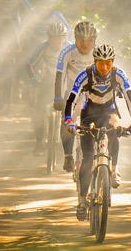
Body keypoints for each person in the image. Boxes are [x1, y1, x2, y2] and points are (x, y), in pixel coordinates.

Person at [62, 44, 131, 220]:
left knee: (114, 128)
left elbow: (130, 97)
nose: (104, 67)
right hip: (89, 114)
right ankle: (82, 201)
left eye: (108, 63)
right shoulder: (86, 75)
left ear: (112, 62)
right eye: (100, 63)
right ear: (95, 61)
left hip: (109, 111)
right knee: (88, 158)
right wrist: (68, 120)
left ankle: (114, 170)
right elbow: (72, 98)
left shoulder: (118, 74)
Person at [53, 21, 97, 173]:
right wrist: (58, 97)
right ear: (75, 39)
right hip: (72, 92)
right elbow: (60, 76)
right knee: (67, 120)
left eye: (89, 41)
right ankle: (68, 156)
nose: (84, 44)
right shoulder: (66, 53)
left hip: (93, 93)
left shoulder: (99, 53)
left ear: (95, 41)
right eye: (81, 40)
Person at [26, 22, 69, 155]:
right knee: (39, 111)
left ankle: (67, 145)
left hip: (66, 84)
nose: (56, 41)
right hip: (48, 82)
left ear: (64, 38)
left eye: (59, 37)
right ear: (48, 37)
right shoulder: (43, 48)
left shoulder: (70, 48)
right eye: (53, 37)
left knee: (69, 113)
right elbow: (29, 65)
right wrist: (35, 80)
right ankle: (39, 143)